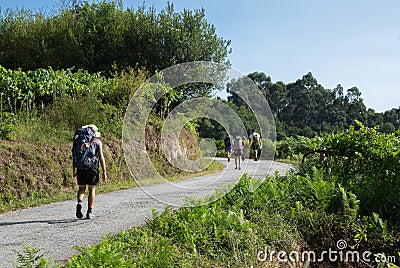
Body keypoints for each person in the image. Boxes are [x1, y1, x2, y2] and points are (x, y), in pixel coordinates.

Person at [73, 124, 107, 219]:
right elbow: (101, 157)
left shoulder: (78, 140)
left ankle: (79, 202)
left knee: (81, 189)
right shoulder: (97, 142)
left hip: (80, 167)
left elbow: (75, 156)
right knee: (91, 189)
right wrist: (104, 172)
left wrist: (74, 170)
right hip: (92, 168)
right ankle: (89, 211)